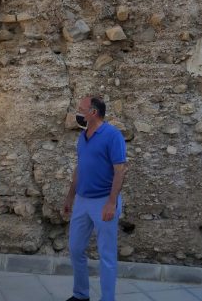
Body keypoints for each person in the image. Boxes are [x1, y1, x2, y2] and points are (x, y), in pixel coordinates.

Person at [63, 96, 128, 301]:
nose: (77, 112)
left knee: (106, 255)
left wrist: (111, 202)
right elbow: (80, 168)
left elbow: (120, 170)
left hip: (104, 201)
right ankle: (81, 295)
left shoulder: (112, 135)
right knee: (75, 249)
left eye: (81, 109)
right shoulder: (83, 137)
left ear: (93, 112)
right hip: (82, 201)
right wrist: (70, 197)